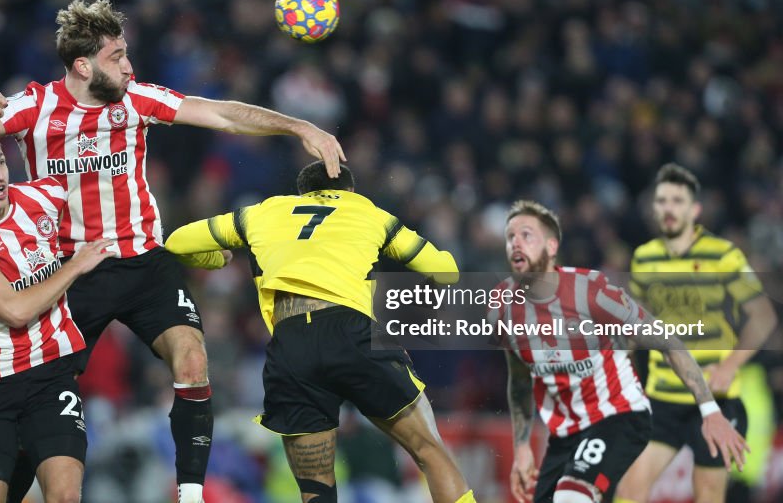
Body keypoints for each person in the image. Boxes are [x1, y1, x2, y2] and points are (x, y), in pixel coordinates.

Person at [0, 0, 346, 503]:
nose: (129, 66)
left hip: (144, 260)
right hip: (72, 270)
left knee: (192, 358)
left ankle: (191, 493)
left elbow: (222, 114)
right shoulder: (34, 108)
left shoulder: (136, 100)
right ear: (83, 65)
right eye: (117, 56)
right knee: (39, 396)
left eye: (127, 54)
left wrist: (300, 126)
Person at [164, 161, 475, 503]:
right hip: (351, 332)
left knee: (316, 488)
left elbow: (178, 242)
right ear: (350, 191)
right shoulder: (368, 213)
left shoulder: (265, 212)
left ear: (302, 194)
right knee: (429, 451)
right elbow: (445, 272)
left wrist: (215, 260)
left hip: (291, 344)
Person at [495, 200, 749, 503]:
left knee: (571, 496)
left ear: (551, 246)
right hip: (565, 434)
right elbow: (521, 377)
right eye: (510, 237)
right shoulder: (503, 307)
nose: (515, 243)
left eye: (526, 235)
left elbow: (666, 341)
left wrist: (709, 410)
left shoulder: (591, 292)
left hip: (618, 415)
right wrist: (522, 448)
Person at [0, 129, 114, 503]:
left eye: (0, 162)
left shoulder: (43, 196)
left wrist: (184, 249)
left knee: (64, 496)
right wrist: (75, 265)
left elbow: (117, 209)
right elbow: (15, 310)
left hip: (50, 375)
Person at [615, 164, 777, 503]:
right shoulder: (644, 259)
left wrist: (730, 367)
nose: (669, 209)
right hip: (663, 398)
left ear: (695, 209)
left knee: (707, 493)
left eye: (677, 200)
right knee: (629, 490)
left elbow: (762, 317)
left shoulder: (723, 256)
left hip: (717, 401)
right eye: (662, 201)